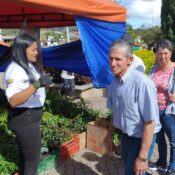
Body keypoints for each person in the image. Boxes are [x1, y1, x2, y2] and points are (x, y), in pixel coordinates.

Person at [105, 39, 161, 175]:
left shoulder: (142, 83)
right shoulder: (114, 83)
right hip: (127, 135)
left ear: (129, 60)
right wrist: (109, 135)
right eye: (111, 58)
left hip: (142, 136)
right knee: (134, 170)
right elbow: (115, 112)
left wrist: (143, 156)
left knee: (135, 170)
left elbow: (150, 121)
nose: (113, 63)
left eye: (118, 59)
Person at [3, 33, 51, 175]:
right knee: (32, 163)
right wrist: (37, 84)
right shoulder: (15, 70)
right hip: (24, 119)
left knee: (25, 159)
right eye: (33, 50)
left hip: (29, 118)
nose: (37, 53)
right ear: (22, 50)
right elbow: (13, 100)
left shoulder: (27, 65)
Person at [149, 39, 175, 175]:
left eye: (165, 53)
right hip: (154, 111)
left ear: (170, 53)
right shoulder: (153, 70)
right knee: (159, 139)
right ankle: (162, 162)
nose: (162, 56)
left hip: (169, 111)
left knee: (173, 140)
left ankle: (173, 166)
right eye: (159, 53)